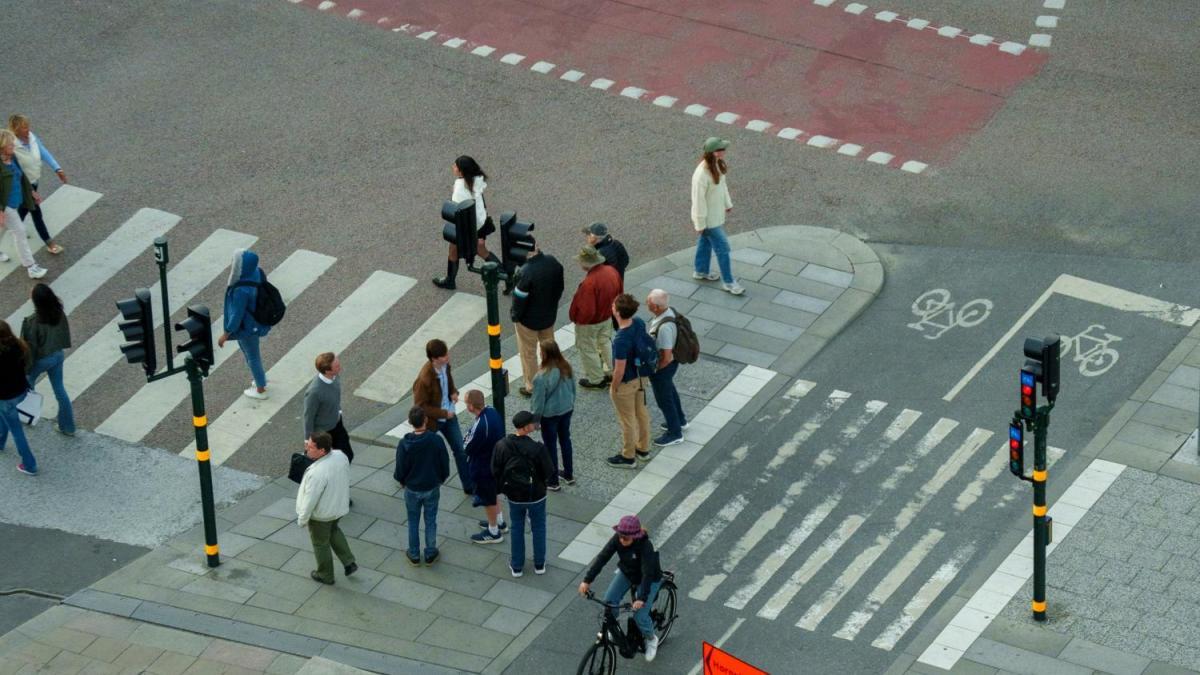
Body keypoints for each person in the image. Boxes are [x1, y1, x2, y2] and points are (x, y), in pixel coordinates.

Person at [578, 515, 665, 662]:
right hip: (628, 572)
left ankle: (651, 639)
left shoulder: (645, 546)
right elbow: (603, 557)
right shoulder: (618, 539)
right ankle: (614, 627)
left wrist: (641, 598)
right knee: (609, 601)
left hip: (648, 579)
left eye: (626, 538)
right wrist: (587, 581)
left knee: (640, 616)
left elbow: (647, 573)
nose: (622, 540)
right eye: (620, 536)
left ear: (635, 536)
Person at [491, 411, 554, 577]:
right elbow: (549, 471)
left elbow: (495, 470)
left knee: (517, 527)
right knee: (538, 527)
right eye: (532, 423)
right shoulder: (538, 448)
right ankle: (539, 564)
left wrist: (503, 488)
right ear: (526, 427)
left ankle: (517, 566)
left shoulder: (502, 445)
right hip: (536, 495)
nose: (535, 424)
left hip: (515, 495)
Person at [412, 338, 474, 495]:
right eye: (444, 355)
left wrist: (453, 392)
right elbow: (420, 406)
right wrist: (444, 413)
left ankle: (469, 486)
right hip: (433, 421)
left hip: (449, 416)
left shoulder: (444, 365)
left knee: (460, 450)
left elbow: (448, 381)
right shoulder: (424, 379)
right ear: (434, 359)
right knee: (422, 452)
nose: (447, 357)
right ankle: (407, 475)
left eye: (447, 353)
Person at [296, 431, 357, 584]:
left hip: (322, 515)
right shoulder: (340, 456)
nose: (306, 449)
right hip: (338, 507)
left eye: (311, 447)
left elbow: (310, 500)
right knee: (334, 531)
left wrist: (302, 519)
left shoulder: (317, 473)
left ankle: (325, 575)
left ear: (322, 450)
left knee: (320, 543)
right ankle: (349, 562)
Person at [434, 155, 500, 290]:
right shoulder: (476, 180)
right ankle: (507, 276)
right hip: (480, 222)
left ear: (461, 171)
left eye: (455, 166)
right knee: (481, 250)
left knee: (454, 250)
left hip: (468, 226)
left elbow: (458, 211)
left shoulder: (460, 188)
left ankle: (450, 280)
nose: (453, 167)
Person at [394, 406, 450, 565]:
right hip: (431, 486)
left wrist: (402, 480)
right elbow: (444, 462)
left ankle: (414, 554)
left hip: (412, 488)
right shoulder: (436, 440)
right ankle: (430, 552)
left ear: (410, 422)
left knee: (413, 520)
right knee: (430, 520)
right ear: (425, 420)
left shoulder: (404, 443)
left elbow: (400, 467)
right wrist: (441, 478)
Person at [691, 137, 743, 296]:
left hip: (715, 215)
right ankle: (729, 282)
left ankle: (701, 271)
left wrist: (727, 203)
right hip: (709, 220)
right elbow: (698, 201)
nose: (724, 151)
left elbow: (722, 185)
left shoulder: (717, 164)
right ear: (713, 152)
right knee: (723, 248)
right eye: (721, 149)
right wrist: (700, 224)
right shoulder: (701, 174)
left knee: (705, 243)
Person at [9, 115, 67, 255]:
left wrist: (57, 168)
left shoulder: (31, 137)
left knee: (24, 208)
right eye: (24, 127)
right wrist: (30, 190)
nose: (28, 129)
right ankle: (49, 242)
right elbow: (16, 171)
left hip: (33, 181)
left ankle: (14, 226)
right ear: (16, 129)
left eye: (27, 125)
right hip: (22, 184)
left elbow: (43, 151)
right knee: (35, 211)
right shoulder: (11, 146)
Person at [510, 244, 564, 397]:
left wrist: (515, 316)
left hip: (528, 321)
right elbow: (560, 288)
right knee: (549, 349)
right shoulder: (553, 262)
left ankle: (532, 387)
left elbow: (519, 300)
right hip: (548, 316)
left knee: (528, 353)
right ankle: (554, 378)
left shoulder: (525, 272)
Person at [21, 284, 73, 436]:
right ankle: (68, 427)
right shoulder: (58, 312)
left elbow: (30, 348)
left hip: (42, 359)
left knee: (28, 382)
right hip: (57, 355)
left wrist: (25, 367)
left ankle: (27, 414)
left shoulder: (32, 322)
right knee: (60, 390)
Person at [218, 249, 271, 399]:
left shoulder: (241, 290)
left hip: (248, 327)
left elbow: (236, 315)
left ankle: (260, 389)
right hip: (256, 322)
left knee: (252, 356)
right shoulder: (257, 272)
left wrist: (226, 334)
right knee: (251, 354)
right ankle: (260, 378)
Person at [607, 294, 651, 469]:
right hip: (641, 376)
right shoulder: (638, 322)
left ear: (617, 312)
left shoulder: (621, 339)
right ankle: (643, 449)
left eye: (613, 305)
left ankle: (628, 456)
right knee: (641, 412)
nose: (612, 307)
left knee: (627, 420)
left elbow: (619, 369)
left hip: (626, 383)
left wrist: (614, 386)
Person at [568, 246, 621, 389]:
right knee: (605, 343)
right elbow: (619, 293)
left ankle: (596, 380)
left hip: (590, 323)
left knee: (588, 349)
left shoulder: (589, 283)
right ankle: (612, 371)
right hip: (607, 316)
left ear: (586, 264)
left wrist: (578, 320)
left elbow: (587, 311)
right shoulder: (612, 271)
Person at [0, 129, 48, 279]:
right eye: (10, 144)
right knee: (19, 231)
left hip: (15, 201)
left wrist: (32, 192)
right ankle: (31, 267)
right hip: (5, 205)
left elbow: (22, 176)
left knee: (3, 228)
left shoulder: (12, 157)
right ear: (2, 147)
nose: (13, 146)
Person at [531, 340, 576, 490]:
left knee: (550, 446)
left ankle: (552, 481)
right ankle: (568, 474)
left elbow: (538, 402)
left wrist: (535, 420)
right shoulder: (566, 366)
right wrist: (571, 404)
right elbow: (573, 388)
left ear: (544, 354)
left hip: (550, 415)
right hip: (566, 409)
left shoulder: (541, 377)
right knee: (565, 440)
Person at [463, 389, 506, 544]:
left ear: (471, 406)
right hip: (495, 462)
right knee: (493, 494)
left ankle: (493, 532)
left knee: (488, 500)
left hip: (484, 467)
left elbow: (467, 446)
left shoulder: (481, 425)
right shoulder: (492, 412)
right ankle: (500, 522)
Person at [646, 289, 687, 447]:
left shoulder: (664, 328)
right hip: (671, 363)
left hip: (665, 366)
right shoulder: (670, 312)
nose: (646, 304)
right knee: (670, 390)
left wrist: (656, 370)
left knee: (664, 400)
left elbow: (667, 356)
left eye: (648, 302)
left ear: (656, 307)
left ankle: (675, 433)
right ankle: (680, 420)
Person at [0, 320, 36, 475]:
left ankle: (29, 465)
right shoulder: (19, 346)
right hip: (20, 391)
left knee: (16, 431)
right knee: (5, 416)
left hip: (5, 396)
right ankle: (0, 441)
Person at [303, 351, 353, 462]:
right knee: (325, 461)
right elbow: (308, 417)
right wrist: (308, 440)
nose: (340, 367)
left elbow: (335, 395)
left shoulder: (335, 376)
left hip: (337, 423)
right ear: (328, 371)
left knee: (348, 455)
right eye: (337, 366)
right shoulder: (314, 392)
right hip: (324, 432)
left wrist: (338, 411)